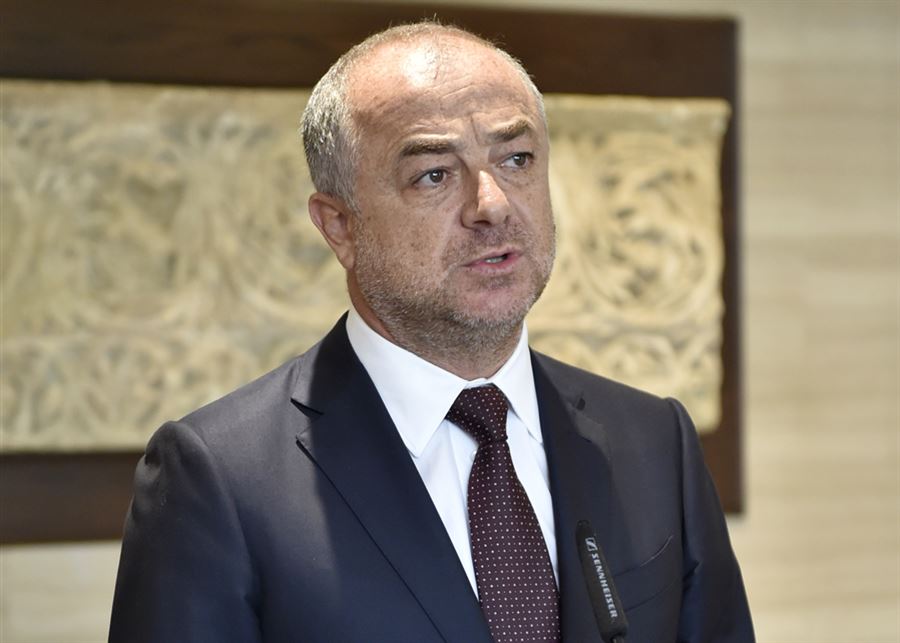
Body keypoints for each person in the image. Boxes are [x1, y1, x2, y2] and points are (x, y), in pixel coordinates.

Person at [109, 22, 754, 643]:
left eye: (517, 158)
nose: (492, 205)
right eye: (434, 175)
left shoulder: (655, 441)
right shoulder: (219, 478)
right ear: (339, 226)